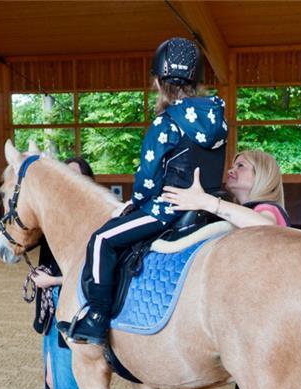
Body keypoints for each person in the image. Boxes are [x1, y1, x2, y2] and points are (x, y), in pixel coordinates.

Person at [64, 37, 228, 345]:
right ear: (198, 81)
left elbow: (148, 179)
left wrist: (135, 202)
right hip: (207, 208)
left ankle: (97, 317)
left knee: (101, 240)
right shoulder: (220, 119)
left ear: (157, 81)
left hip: (167, 209)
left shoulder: (164, 122)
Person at [161, 150, 288, 389]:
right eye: (232, 164)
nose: (232, 170)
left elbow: (266, 226)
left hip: (266, 337)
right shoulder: (240, 210)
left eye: (242, 166)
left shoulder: (267, 210)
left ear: (263, 176)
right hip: (250, 336)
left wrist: (209, 203)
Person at [13, 156, 95, 389]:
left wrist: (56, 281)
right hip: (51, 302)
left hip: (76, 301)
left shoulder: (92, 220)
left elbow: (92, 272)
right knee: (51, 376)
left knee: (76, 376)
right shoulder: (53, 218)